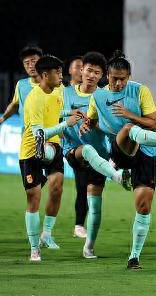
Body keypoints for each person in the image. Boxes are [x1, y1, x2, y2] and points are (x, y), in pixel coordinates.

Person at [80, 51, 156, 269]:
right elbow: (93, 121)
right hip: (120, 149)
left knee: (143, 206)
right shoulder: (98, 96)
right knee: (127, 129)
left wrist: (130, 114)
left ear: (129, 77)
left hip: (145, 153)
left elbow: (153, 124)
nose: (118, 83)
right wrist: (87, 124)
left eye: (122, 79)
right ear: (107, 75)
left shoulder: (139, 91)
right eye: (114, 78)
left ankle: (134, 257)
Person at [61, 52, 129, 259]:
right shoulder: (65, 93)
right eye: (89, 70)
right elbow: (53, 116)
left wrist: (94, 123)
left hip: (100, 157)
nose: (91, 75)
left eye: (96, 73)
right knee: (86, 150)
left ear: (102, 76)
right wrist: (67, 119)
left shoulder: (103, 96)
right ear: (81, 70)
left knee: (95, 204)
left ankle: (89, 247)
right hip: (73, 150)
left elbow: (112, 129)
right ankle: (117, 176)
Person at [20, 55, 80, 261]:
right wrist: (66, 124)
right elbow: (38, 135)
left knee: (56, 188)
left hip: (53, 145)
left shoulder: (57, 90)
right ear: (45, 75)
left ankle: (46, 234)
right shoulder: (34, 98)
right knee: (34, 197)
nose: (61, 76)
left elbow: (54, 110)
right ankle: (34, 247)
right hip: (32, 151)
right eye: (57, 72)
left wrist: (69, 112)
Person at [63, 55, 89, 239]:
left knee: (90, 187)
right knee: (82, 184)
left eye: (83, 68)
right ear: (70, 71)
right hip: (72, 146)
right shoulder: (64, 92)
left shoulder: (94, 93)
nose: (81, 71)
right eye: (78, 67)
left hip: (93, 145)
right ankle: (79, 225)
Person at [0, 46, 43, 126]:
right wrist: (3, 118)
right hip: (26, 133)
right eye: (27, 63)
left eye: (34, 61)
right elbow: (15, 105)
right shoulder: (21, 85)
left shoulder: (54, 85)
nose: (31, 66)